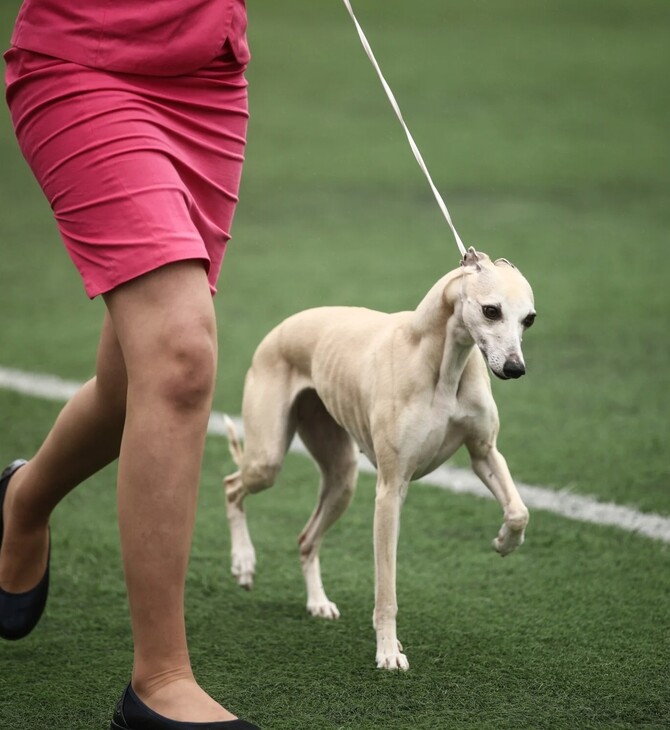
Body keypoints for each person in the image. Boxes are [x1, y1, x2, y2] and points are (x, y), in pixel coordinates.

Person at [0, 1, 260, 728]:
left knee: (131, 380)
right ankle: (160, 682)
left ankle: (22, 499)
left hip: (205, 78)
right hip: (80, 61)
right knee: (179, 355)